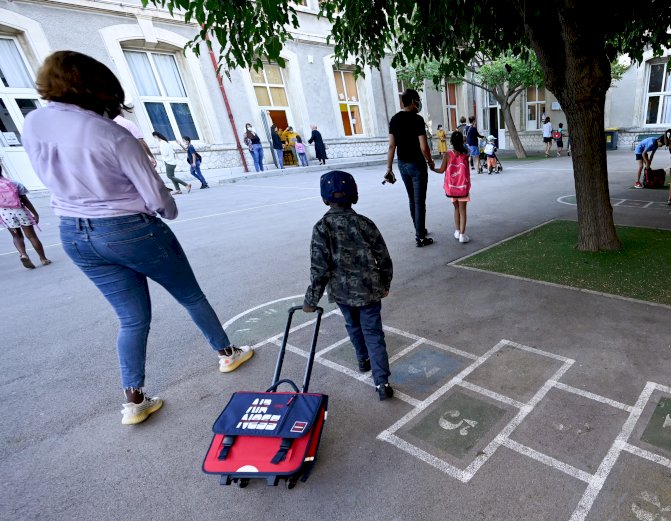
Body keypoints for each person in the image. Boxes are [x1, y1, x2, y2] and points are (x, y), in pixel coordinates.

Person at [22, 51, 254, 425]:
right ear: (98, 87)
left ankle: (134, 401)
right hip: (128, 227)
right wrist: (169, 211)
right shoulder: (111, 133)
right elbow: (155, 194)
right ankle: (227, 352)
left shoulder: (33, 123)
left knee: (130, 319)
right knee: (190, 295)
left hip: (73, 230)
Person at [303, 171, 394, 401]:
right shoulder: (364, 223)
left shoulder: (322, 227)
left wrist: (311, 299)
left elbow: (319, 268)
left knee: (352, 325)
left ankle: (363, 359)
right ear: (355, 196)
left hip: (342, 292)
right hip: (369, 290)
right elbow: (383, 257)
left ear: (325, 199)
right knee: (373, 333)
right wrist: (385, 283)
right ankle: (382, 382)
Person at [385, 88, 436, 247]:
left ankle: (419, 229)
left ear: (402, 102)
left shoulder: (394, 119)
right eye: (418, 100)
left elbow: (392, 146)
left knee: (412, 199)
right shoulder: (417, 120)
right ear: (414, 101)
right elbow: (424, 146)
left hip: (402, 164)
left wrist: (389, 168)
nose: (419, 103)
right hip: (417, 165)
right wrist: (430, 162)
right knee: (420, 202)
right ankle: (420, 237)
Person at [0, 163, 50, 269]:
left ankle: (23, 254)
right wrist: (35, 214)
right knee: (31, 236)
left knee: (16, 236)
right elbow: (25, 201)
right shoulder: (14, 183)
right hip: (20, 211)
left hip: (5, 214)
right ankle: (43, 259)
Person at [431, 130, 471, 244]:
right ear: (462, 141)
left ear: (451, 141)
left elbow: (441, 170)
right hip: (462, 188)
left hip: (452, 188)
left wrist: (432, 167)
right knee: (463, 211)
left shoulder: (447, 155)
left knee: (456, 209)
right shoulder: (465, 155)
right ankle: (463, 236)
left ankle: (457, 231)